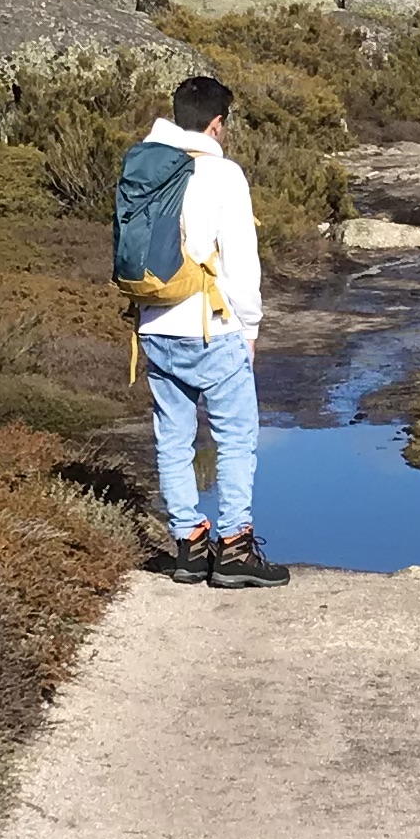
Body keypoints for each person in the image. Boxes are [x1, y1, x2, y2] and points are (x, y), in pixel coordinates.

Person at [119, 75, 287, 588]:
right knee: (235, 436)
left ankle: (189, 547)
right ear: (218, 123)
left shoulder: (142, 163)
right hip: (211, 327)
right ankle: (235, 549)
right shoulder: (222, 173)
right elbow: (242, 261)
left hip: (152, 322)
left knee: (173, 438)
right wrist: (251, 326)